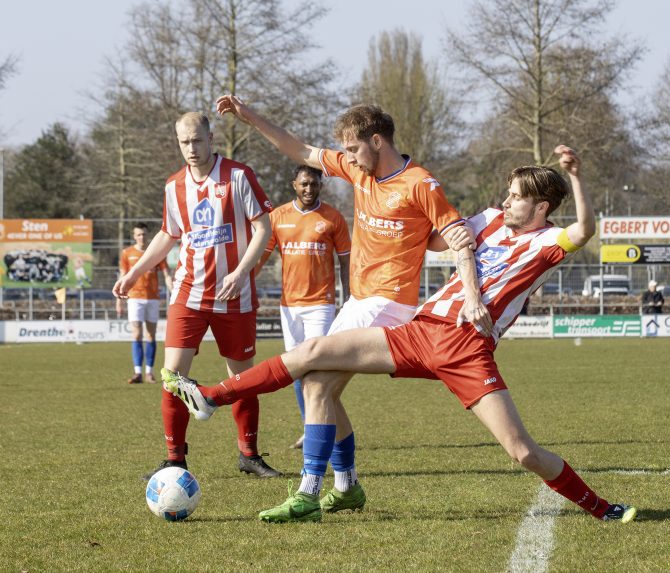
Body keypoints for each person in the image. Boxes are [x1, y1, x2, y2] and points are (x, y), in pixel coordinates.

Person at [163, 148, 638, 525]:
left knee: (522, 451)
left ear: (541, 207)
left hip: (467, 351)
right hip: (419, 331)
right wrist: (403, 221)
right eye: (509, 194)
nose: (507, 201)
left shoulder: (546, 243)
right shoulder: (490, 219)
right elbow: (440, 237)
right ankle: (211, 396)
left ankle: (602, 508)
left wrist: (576, 176)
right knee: (313, 354)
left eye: (516, 197)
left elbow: (584, 229)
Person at [215, 96, 474, 510]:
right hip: (360, 300)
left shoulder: (420, 184)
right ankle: (347, 485)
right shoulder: (358, 170)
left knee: (316, 380)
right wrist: (249, 116)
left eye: (353, 148)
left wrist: (470, 289)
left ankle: (308, 491)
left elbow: (455, 235)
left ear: (377, 141)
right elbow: (299, 149)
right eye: (346, 151)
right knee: (319, 387)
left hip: (389, 302)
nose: (348, 157)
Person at [112, 111, 281, 479]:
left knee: (242, 378)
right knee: (172, 376)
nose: (191, 148)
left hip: (235, 294)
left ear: (211, 139)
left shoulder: (238, 176)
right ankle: (175, 458)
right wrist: (135, 272)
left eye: (197, 140)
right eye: (184, 142)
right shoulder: (174, 186)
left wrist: (240, 272)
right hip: (189, 293)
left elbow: (263, 229)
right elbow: (167, 235)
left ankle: (249, 454)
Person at [254, 165, 352, 448]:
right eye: (304, 184)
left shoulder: (333, 217)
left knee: (316, 366)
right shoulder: (278, 216)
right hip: (289, 305)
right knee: (296, 367)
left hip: (321, 303)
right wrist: (242, 284)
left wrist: (348, 297)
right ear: (294, 185)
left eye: (314, 184)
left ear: (321, 185)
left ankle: (320, 426)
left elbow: (346, 261)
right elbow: (259, 257)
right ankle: (310, 425)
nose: (309, 189)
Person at [116, 223, 173, 384]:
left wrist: (173, 290)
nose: (142, 237)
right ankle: (137, 372)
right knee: (136, 334)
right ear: (134, 236)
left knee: (151, 335)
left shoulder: (156, 252)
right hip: (134, 297)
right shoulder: (127, 253)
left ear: (148, 236)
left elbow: (166, 274)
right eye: (139, 234)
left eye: (144, 234)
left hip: (152, 298)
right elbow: (122, 276)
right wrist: (119, 301)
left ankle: (149, 372)